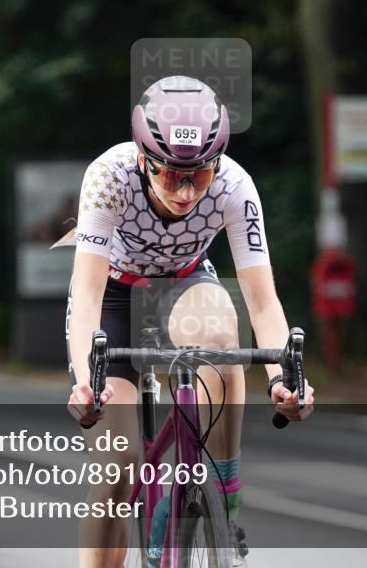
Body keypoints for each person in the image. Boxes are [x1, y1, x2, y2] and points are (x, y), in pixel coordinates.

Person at [65, 76, 315, 568]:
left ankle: (224, 487)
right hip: (113, 296)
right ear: (143, 159)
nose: (184, 190)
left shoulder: (234, 185)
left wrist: (285, 380)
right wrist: (83, 379)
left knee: (222, 334)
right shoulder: (108, 176)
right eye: (169, 175)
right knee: (117, 467)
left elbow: (262, 302)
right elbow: (89, 292)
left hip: (183, 285)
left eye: (198, 176)